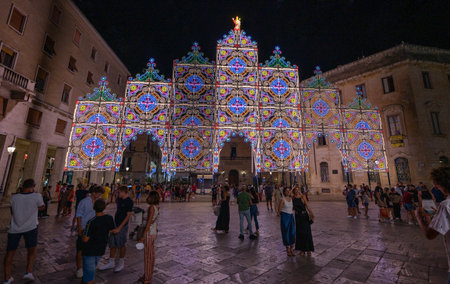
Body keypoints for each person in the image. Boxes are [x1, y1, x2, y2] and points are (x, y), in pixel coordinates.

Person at [3, 179, 44, 283]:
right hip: (31, 227)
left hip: (15, 228)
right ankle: (28, 272)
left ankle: (7, 277)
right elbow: (42, 207)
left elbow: (12, 211)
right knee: (31, 250)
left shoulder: (14, 197)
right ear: (33, 186)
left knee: (10, 253)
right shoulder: (37, 196)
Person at [415, 167, 450, 282]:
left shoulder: (445, 205)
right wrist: (439, 216)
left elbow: (430, 234)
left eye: (437, 184)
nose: (435, 187)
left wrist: (420, 218)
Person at [99, 186, 134, 272]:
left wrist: (120, 227)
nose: (117, 194)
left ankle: (121, 262)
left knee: (121, 244)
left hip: (122, 225)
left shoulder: (129, 202)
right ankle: (111, 262)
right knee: (112, 243)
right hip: (115, 223)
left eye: (119, 192)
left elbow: (128, 215)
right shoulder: (119, 200)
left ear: (123, 192)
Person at [81, 199, 115, 284]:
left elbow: (85, 239)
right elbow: (112, 230)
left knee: (89, 274)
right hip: (101, 248)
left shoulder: (91, 222)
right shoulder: (109, 218)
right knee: (91, 270)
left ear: (94, 208)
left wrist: (82, 233)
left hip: (90, 250)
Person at [75, 186, 105, 279]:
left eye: (101, 194)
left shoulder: (98, 202)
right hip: (84, 227)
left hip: (94, 229)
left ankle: (88, 266)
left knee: (90, 248)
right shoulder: (84, 201)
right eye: (99, 193)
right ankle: (79, 268)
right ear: (94, 192)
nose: (100, 195)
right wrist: (79, 228)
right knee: (80, 249)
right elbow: (79, 215)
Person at [138, 191, 160, 284]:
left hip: (149, 233)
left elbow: (149, 222)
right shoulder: (157, 207)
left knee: (148, 256)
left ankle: (147, 278)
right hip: (153, 232)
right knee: (151, 255)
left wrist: (143, 235)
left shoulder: (151, 208)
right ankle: (147, 274)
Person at [292, 187, 314, 256]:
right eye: (295, 190)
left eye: (298, 189)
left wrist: (311, 213)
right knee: (299, 233)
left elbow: (307, 206)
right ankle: (302, 250)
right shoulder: (293, 198)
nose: (297, 191)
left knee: (306, 232)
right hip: (297, 217)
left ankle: (308, 250)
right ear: (294, 191)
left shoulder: (302, 197)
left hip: (304, 216)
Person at [278, 187, 295, 256]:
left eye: (289, 191)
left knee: (292, 232)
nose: (288, 192)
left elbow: (297, 194)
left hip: (291, 217)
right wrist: (283, 217)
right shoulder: (282, 199)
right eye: (286, 191)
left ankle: (292, 248)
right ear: (284, 192)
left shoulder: (291, 199)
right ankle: (287, 248)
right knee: (286, 232)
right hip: (285, 217)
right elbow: (279, 210)